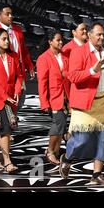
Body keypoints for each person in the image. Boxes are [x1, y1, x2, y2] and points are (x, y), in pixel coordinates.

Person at [59, 23, 104, 185]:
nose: (102, 37)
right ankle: (67, 158)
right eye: (98, 35)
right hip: (84, 103)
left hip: (103, 102)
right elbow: (72, 77)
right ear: (89, 35)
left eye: (103, 35)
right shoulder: (78, 52)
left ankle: (96, 175)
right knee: (82, 140)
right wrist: (92, 70)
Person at [0, 28, 23, 172]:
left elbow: (19, 76)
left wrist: (17, 90)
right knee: (5, 129)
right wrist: (4, 96)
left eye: (7, 38)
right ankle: (7, 161)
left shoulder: (13, 56)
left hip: (10, 98)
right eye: (4, 39)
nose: (7, 41)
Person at [0, 5, 34, 110]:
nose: (11, 16)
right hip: (2, 77)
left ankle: (12, 121)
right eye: (7, 14)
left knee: (18, 100)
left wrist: (30, 65)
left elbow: (24, 50)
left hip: (18, 73)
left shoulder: (18, 31)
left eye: (11, 14)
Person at [36, 30, 70, 165]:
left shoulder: (64, 56)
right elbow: (42, 83)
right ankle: (49, 151)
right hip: (54, 97)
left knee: (61, 125)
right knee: (58, 124)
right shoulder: (43, 58)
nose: (61, 42)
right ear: (50, 42)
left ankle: (56, 150)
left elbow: (69, 74)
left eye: (61, 39)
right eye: (58, 40)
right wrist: (44, 102)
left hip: (66, 96)